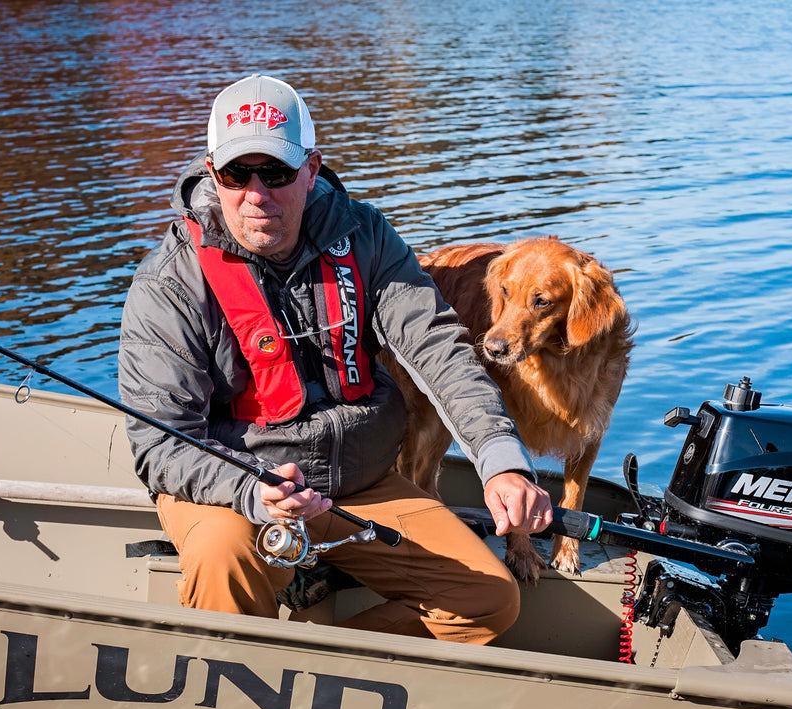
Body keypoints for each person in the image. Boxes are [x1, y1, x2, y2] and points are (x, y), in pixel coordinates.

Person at [118, 74, 552, 645]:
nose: (256, 193)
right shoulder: (168, 283)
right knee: (223, 559)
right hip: (235, 486)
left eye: (274, 172)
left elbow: (439, 350)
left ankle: (317, 673)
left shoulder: (366, 238)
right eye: (235, 174)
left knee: (486, 600)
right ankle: (243, 700)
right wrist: (253, 491)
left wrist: (501, 460)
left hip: (358, 481)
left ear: (311, 169)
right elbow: (160, 445)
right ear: (211, 173)